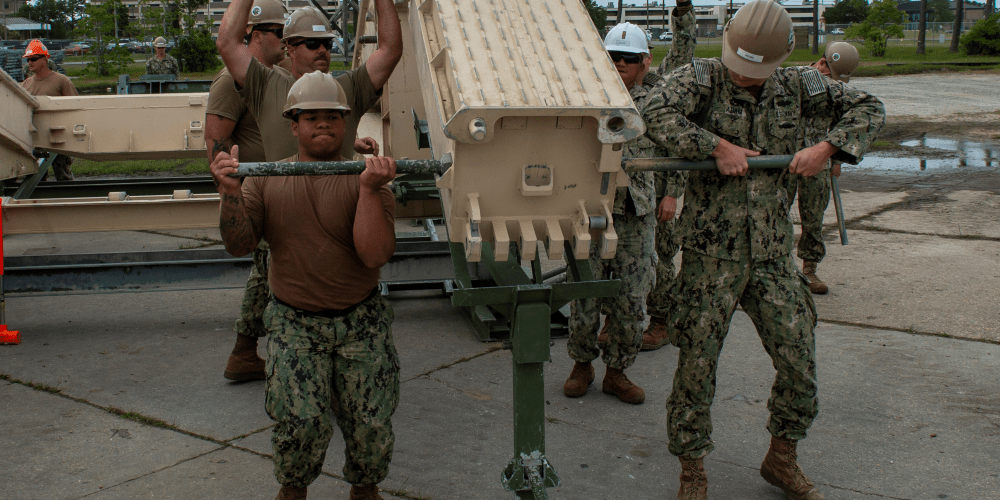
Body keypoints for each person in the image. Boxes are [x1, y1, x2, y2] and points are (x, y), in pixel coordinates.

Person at [643, 1, 884, 498]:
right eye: (741, 66)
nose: (746, 78)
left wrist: (827, 148)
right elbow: (650, 112)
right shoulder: (702, 78)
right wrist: (715, 146)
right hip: (711, 257)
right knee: (696, 367)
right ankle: (692, 469)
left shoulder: (800, 85)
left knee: (800, 362)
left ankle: (782, 456)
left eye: (757, 72)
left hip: (773, 256)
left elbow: (868, 107)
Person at [210, 71, 400, 500]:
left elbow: (374, 256)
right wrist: (230, 193)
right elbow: (239, 245)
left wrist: (370, 191)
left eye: (332, 116)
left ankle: (365, 488)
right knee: (300, 423)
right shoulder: (265, 178)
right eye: (311, 117)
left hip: (361, 321)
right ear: (293, 125)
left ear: (346, 123)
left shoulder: (367, 179)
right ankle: (293, 489)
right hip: (295, 324)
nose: (323, 124)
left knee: (370, 423)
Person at [562, 22, 658, 406]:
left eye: (628, 59)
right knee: (584, 290)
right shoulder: (583, 93)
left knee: (632, 297)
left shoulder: (659, 98)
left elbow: (676, 146)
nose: (619, 64)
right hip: (589, 206)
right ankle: (581, 365)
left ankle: (617, 372)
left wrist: (673, 195)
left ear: (644, 63)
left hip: (636, 209)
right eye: (612, 57)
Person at [206, 0, 290, 382]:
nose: (286, 42)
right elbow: (215, 143)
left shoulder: (276, 75)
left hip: (277, 190)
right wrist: (233, 198)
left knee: (266, 272)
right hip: (257, 194)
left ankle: (245, 353)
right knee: (265, 272)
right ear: (257, 36)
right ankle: (244, 351)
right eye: (280, 34)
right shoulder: (230, 82)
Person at [216, 0, 397, 162]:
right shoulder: (266, 86)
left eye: (327, 44)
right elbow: (227, 43)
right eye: (312, 44)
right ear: (291, 50)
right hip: (283, 198)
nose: (322, 50)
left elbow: (390, 50)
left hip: (337, 198)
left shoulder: (351, 87)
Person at [639, 0, 698, 351]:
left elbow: (683, 48)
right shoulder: (610, 88)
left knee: (661, 256)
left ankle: (660, 321)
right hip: (623, 190)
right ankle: (613, 320)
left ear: (648, 58)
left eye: (636, 57)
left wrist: (672, 192)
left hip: (660, 185)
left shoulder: (663, 85)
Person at [795, 41, 861, 295]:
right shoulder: (794, 78)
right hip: (784, 158)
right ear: (822, 63)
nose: (834, 82)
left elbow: (839, 123)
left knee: (813, 217)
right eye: (831, 76)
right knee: (774, 215)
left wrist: (835, 160)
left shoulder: (838, 88)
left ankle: (809, 269)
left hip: (818, 161)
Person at [21, 39, 78, 181]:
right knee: (36, 180)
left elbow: (75, 106)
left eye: (33, 58)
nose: (30, 62)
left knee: (63, 177)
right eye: (28, 59)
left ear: (45, 59)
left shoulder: (61, 81)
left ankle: (69, 201)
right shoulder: (26, 84)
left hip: (60, 137)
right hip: (36, 138)